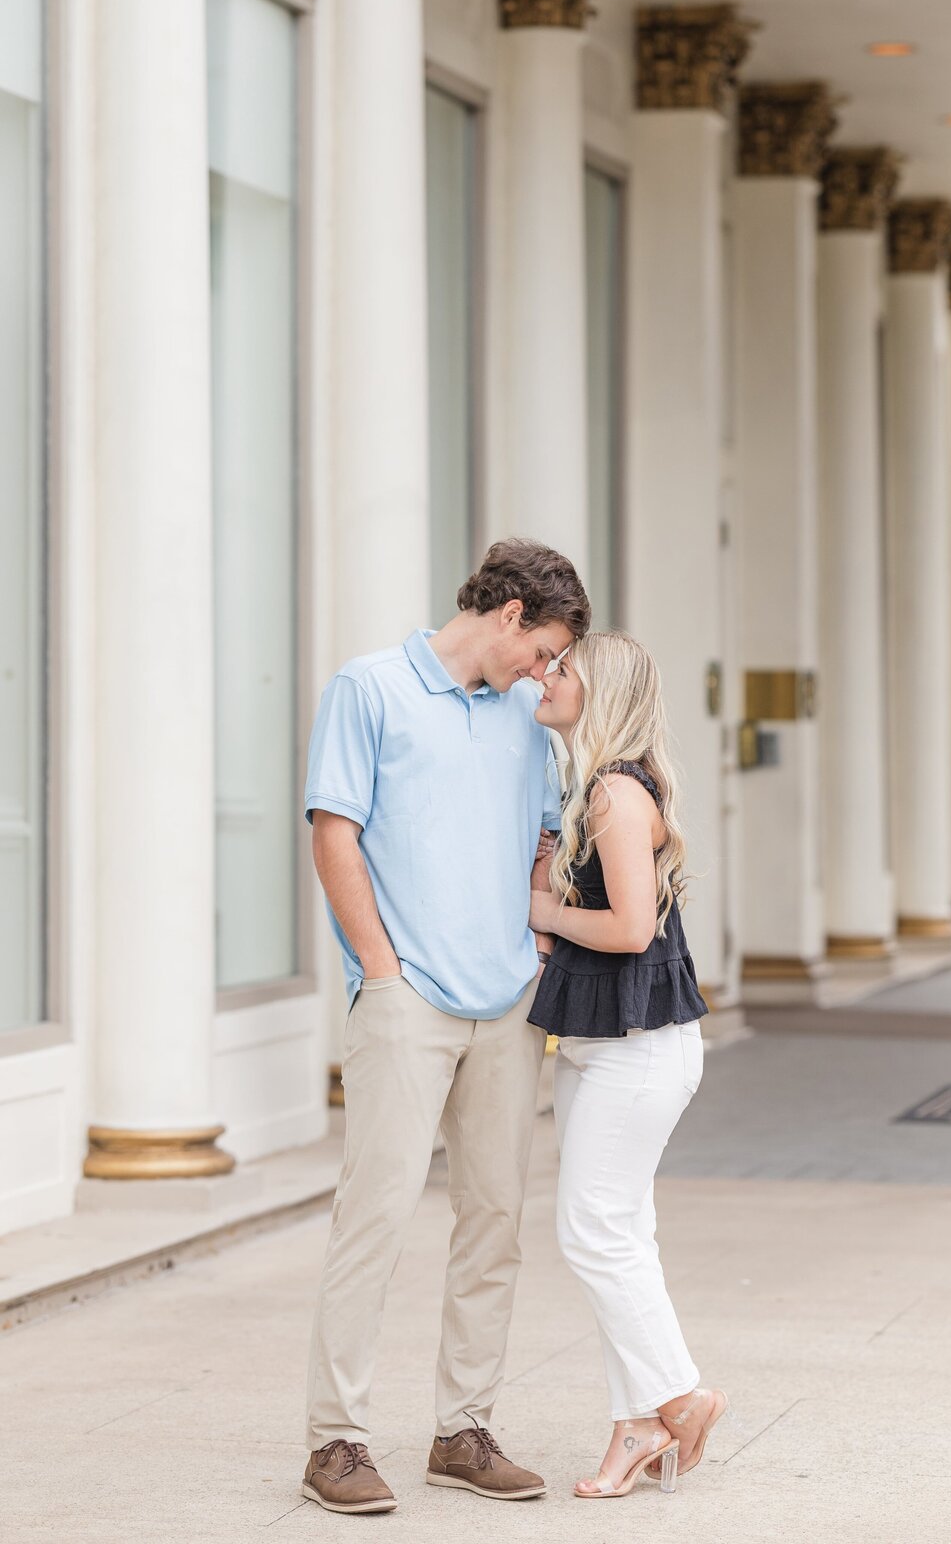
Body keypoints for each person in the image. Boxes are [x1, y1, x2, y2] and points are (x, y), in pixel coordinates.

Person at [300, 539, 589, 1516]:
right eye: (543, 650)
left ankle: (463, 1430)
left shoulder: (526, 721)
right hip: (406, 1001)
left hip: (507, 1006)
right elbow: (333, 830)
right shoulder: (368, 687)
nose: (544, 672)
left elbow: (545, 837)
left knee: (495, 1220)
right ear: (508, 615)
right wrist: (381, 972)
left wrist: (537, 945)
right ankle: (335, 1442)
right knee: (374, 1216)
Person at [527, 630, 729, 1499]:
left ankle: (680, 1396)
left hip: (638, 1052)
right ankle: (637, 1426)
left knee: (591, 1231)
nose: (545, 674)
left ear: (596, 692)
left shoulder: (613, 793)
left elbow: (632, 931)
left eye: (560, 668)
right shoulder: (596, 789)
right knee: (620, 1235)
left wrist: (542, 904)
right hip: (609, 1045)